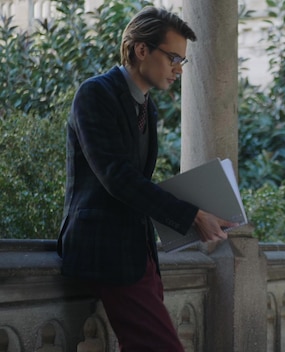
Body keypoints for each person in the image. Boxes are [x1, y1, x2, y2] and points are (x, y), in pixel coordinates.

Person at [56, 7, 235, 351]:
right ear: (141, 49)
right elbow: (117, 177)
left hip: (140, 253)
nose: (178, 70)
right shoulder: (94, 95)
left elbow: (135, 182)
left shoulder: (146, 107)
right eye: (172, 58)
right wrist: (191, 215)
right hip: (103, 248)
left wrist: (203, 209)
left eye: (183, 61)